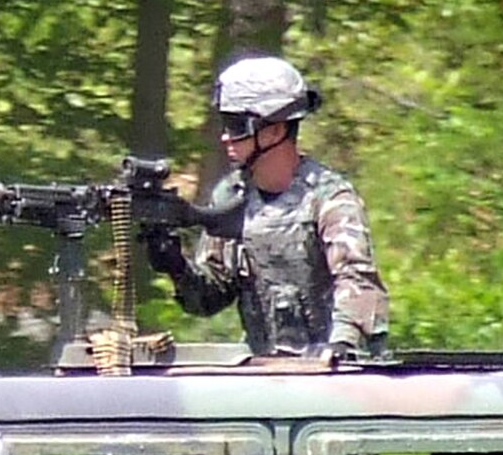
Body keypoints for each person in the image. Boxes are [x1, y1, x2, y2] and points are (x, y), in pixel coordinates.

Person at [143, 55, 390, 359]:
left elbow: (358, 280)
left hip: (335, 376)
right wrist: (176, 266)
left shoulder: (329, 198)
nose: (225, 136)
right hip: (266, 373)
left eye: (236, 126)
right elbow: (208, 298)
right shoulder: (233, 196)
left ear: (274, 130)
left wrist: (341, 344)